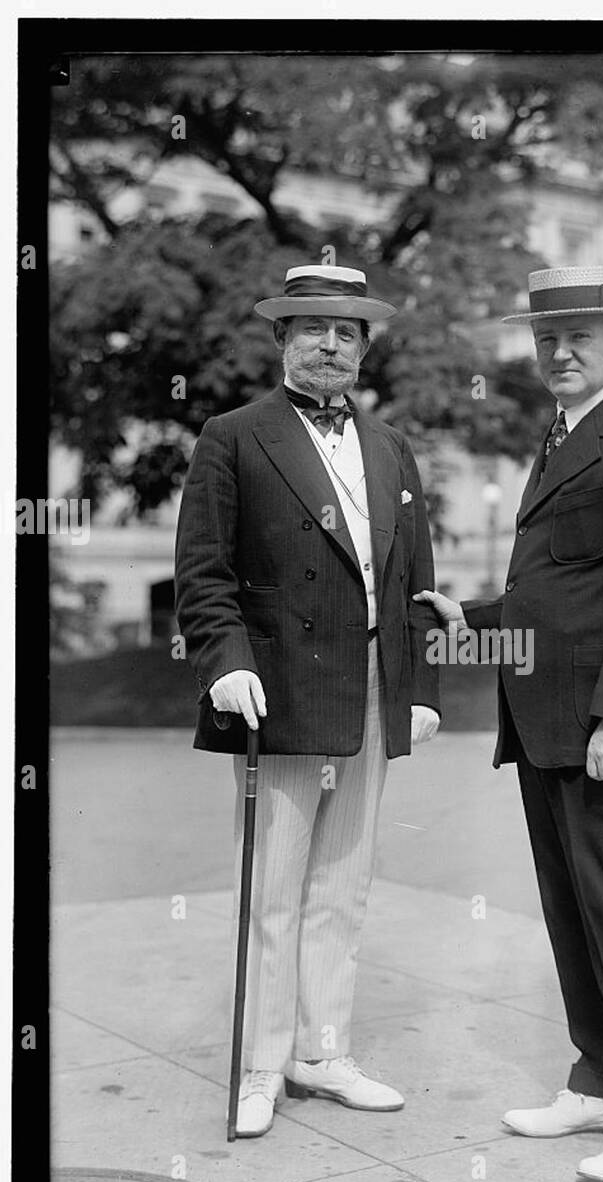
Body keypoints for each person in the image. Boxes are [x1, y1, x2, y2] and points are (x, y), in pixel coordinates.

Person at [416, 265, 603, 1182]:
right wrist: (477, 617)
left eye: (581, 334)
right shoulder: (559, 439)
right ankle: (599, 1079)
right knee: (570, 913)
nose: (561, 351)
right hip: (546, 724)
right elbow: (559, 592)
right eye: (547, 338)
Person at [175, 262, 441, 1137]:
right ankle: (261, 1066)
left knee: (345, 884)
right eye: (312, 329)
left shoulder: (391, 447)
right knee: (275, 887)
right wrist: (223, 661)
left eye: (347, 331)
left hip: (370, 681)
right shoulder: (234, 435)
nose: (330, 345)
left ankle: (321, 1053)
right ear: (282, 339)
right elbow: (204, 568)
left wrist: (420, 689)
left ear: (364, 347)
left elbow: (414, 581)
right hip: (276, 687)